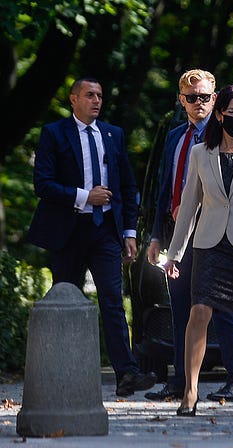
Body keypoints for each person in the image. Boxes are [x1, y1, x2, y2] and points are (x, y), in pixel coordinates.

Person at [27, 77, 156, 397]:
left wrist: (129, 232)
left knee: (113, 302)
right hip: (68, 232)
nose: (96, 100)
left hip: (105, 232)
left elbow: (127, 186)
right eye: (89, 95)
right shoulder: (54, 133)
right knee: (66, 302)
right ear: (73, 99)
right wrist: (86, 196)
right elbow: (43, 184)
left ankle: (127, 374)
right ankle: (63, 377)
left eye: (99, 95)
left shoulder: (113, 134)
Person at [164, 84, 233, 417]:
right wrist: (174, 254)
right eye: (232, 113)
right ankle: (191, 390)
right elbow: (189, 205)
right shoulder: (201, 153)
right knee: (198, 312)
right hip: (209, 245)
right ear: (219, 115)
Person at [145, 70, 233, 403]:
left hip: (215, 235)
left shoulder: (228, 137)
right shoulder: (176, 137)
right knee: (181, 310)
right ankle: (180, 380)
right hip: (177, 237)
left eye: (205, 97)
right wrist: (156, 237)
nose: (198, 103)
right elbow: (165, 189)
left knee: (224, 308)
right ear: (182, 100)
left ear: (215, 99)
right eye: (192, 98)